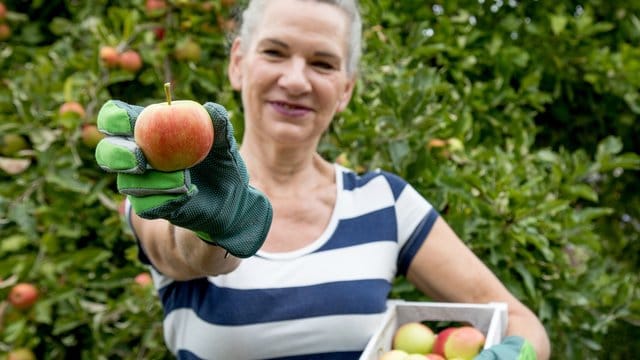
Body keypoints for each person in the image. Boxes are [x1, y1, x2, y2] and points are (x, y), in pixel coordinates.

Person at [95, 0, 551, 359]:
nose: (295, 81)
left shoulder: (384, 203)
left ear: (346, 88)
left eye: (323, 63)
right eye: (274, 52)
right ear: (238, 63)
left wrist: (518, 352)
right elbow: (185, 254)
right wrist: (220, 223)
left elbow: (519, 319)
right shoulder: (173, 191)